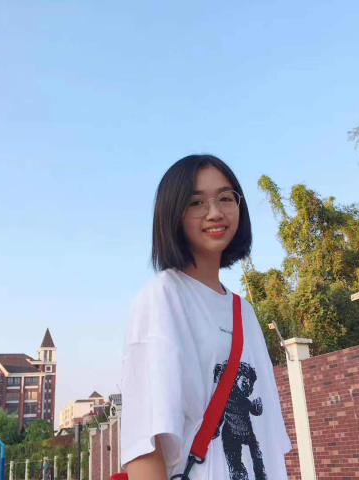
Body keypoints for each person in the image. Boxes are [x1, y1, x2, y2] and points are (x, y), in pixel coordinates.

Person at [121, 154, 292, 480]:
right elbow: (145, 446)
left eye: (225, 198)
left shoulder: (245, 312)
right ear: (172, 213)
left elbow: (269, 436)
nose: (215, 212)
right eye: (196, 202)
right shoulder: (162, 298)